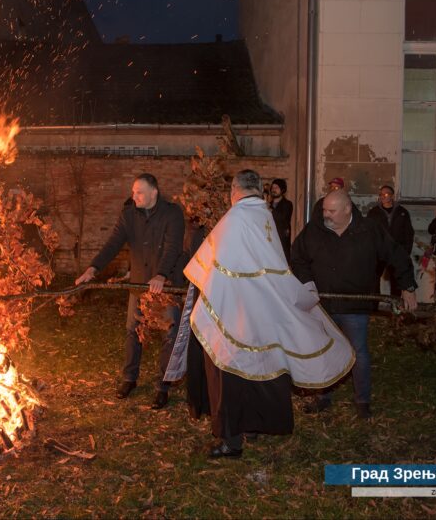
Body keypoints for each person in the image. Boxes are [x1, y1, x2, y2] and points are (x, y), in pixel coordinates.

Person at [166, 169, 354, 458]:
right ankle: (251, 427)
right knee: (255, 371)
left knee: (228, 373)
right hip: (260, 313)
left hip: (233, 315)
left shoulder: (235, 218)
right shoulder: (264, 215)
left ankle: (231, 440)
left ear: (234, 190)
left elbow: (207, 266)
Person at [292, 189, 418, 419]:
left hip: (355, 306)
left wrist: (408, 287)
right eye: (324, 210)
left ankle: (362, 401)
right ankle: (323, 396)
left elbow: (396, 255)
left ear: (347, 209)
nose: (326, 215)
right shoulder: (315, 230)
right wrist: (307, 282)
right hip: (324, 305)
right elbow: (297, 257)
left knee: (358, 351)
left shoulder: (369, 230)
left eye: (332, 211)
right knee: (324, 350)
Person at [75, 173, 185, 410]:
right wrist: (92, 268)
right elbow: (112, 244)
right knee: (132, 331)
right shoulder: (128, 215)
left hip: (164, 285)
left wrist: (161, 274)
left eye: (139, 192)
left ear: (154, 192)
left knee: (169, 335)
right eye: (133, 191)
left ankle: (163, 386)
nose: (134, 196)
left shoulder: (172, 213)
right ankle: (129, 378)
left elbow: (173, 246)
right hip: (138, 285)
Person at [366, 185, 414, 297]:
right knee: (374, 278)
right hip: (379, 251)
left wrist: (405, 251)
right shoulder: (374, 212)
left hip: (396, 250)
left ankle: (395, 307)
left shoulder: (402, 212)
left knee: (396, 279)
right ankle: (374, 306)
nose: (383, 196)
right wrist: (371, 250)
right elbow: (369, 232)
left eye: (386, 194)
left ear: (392, 196)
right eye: (381, 194)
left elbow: (408, 233)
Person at [269, 178, 293, 263]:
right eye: (272, 187)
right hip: (269, 241)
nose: (273, 190)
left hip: (282, 242)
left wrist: (270, 209)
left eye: (276, 188)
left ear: (282, 190)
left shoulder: (288, 204)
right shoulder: (268, 204)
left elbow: (283, 218)